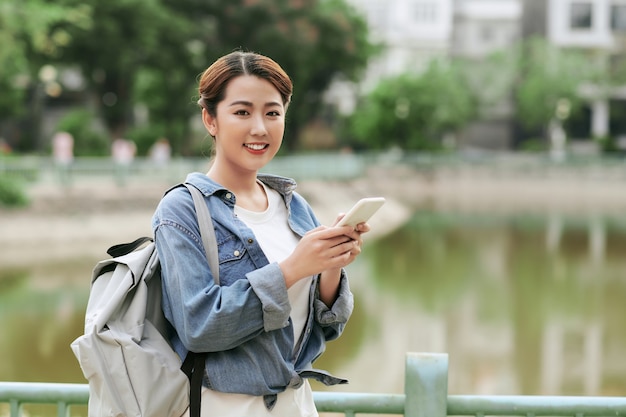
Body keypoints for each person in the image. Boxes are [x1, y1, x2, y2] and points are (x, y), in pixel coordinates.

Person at [152, 51, 370, 417]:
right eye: (242, 112)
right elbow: (199, 326)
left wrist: (332, 263)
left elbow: (326, 328)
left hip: (297, 406)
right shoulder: (183, 210)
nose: (260, 128)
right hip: (225, 407)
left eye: (272, 112)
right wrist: (293, 269)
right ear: (210, 119)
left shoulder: (293, 205)